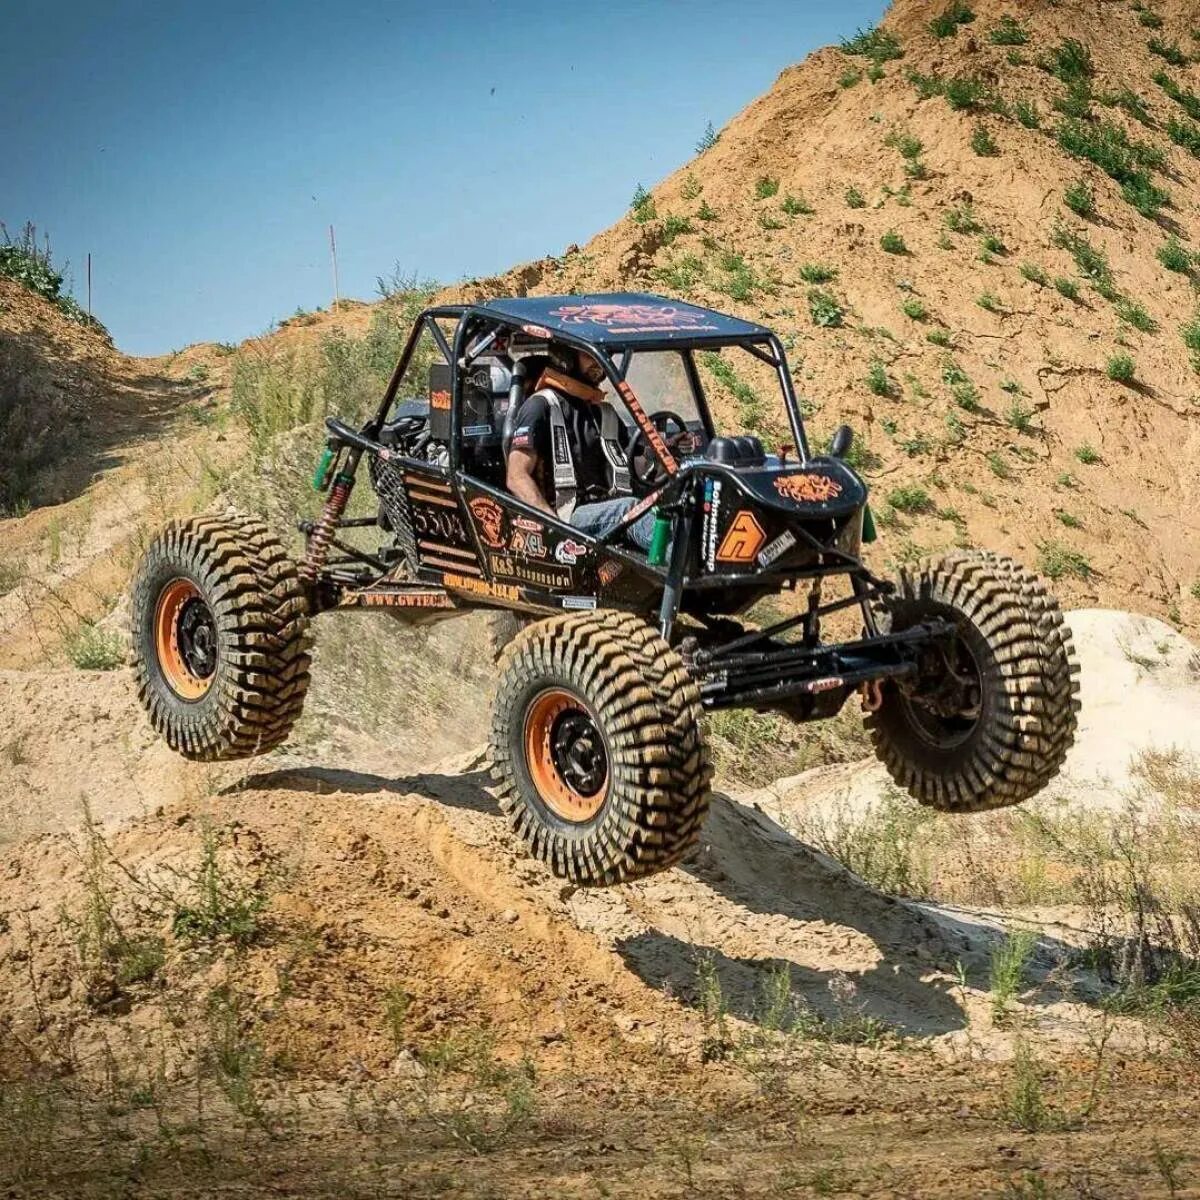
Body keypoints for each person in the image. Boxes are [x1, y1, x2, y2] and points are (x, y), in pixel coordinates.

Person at [505, 345, 658, 550]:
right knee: (630, 508)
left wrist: (667, 449)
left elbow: (637, 455)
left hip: (607, 506)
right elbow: (516, 477)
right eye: (590, 355)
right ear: (566, 355)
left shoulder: (604, 412)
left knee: (667, 508)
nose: (600, 363)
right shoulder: (541, 405)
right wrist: (554, 527)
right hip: (568, 516)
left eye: (605, 355)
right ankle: (683, 574)